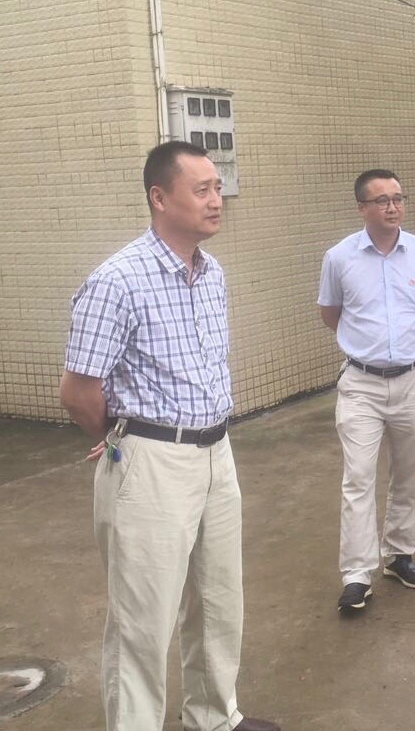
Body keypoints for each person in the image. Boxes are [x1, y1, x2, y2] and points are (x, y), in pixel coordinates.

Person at [59, 141, 279, 731]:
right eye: (201, 189)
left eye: (218, 187)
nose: (216, 199)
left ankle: (213, 715)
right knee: (143, 619)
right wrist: (123, 435)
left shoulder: (212, 274)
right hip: (153, 463)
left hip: (217, 452)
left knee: (218, 598)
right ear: (159, 198)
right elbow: (78, 391)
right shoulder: (117, 281)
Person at [318, 169, 415, 613]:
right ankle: (357, 574)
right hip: (361, 384)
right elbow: (330, 313)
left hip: (414, 378)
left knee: (410, 471)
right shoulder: (339, 258)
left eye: (398, 198)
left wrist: (406, 348)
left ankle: (399, 555)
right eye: (382, 200)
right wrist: (369, 347)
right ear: (362, 208)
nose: (392, 207)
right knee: (358, 478)